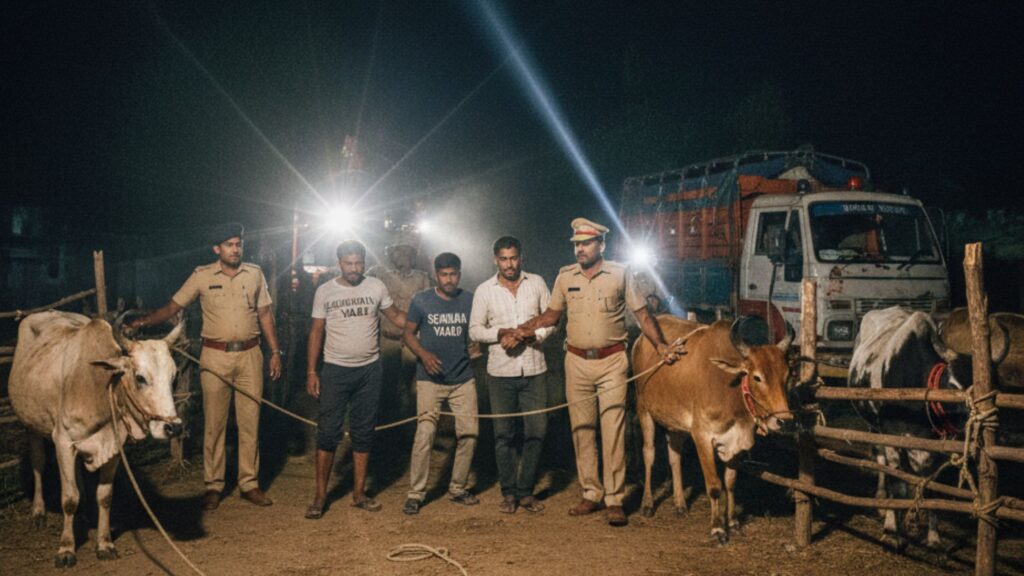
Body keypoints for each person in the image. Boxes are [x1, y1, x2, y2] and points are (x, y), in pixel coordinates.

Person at [519, 218, 681, 527]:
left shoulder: (620, 275)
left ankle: (615, 499)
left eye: (585, 243)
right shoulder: (565, 277)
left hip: (612, 363)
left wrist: (661, 345)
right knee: (582, 430)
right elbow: (552, 315)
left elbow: (643, 315)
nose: (579, 249)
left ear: (601, 245)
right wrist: (521, 329)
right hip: (576, 362)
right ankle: (591, 492)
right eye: (576, 244)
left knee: (613, 431)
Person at [131, 223, 282, 511]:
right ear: (217, 249)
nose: (235, 249)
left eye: (238, 244)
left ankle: (249, 483)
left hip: (250, 355)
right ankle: (213, 485)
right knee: (214, 424)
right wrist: (141, 322)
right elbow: (172, 307)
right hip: (215, 357)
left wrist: (275, 351)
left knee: (250, 423)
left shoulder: (254, 274)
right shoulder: (202, 276)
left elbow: (265, 314)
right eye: (229, 244)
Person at [304, 240, 406, 519]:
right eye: (348, 264)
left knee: (363, 432)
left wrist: (424, 320)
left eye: (358, 263)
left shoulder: (375, 286)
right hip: (335, 370)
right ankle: (320, 496)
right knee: (327, 433)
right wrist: (312, 371)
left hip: (369, 370)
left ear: (363, 261)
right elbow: (316, 332)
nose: (354, 269)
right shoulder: (325, 291)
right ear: (339, 264)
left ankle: (359, 494)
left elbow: (396, 316)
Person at [469, 236, 553, 514]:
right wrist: (502, 333)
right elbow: (475, 331)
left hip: (534, 369)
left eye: (514, 258)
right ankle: (508, 492)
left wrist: (531, 335)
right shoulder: (485, 290)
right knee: (503, 434)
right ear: (495, 260)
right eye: (504, 259)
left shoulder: (537, 283)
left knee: (537, 431)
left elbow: (552, 320)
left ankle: (525, 491)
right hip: (500, 373)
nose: (509, 264)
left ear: (521, 257)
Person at [401, 252, 478, 515]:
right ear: (436, 275)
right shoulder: (421, 300)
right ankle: (416, 493)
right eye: (444, 274)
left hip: (462, 378)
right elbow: (408, 333)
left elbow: (478, 330)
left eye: (453, 274)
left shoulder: (470, 300)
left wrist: (476, 346)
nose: (449, 279)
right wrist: (423, 354)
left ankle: (457, 488)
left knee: (469, 433)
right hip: (430, 379)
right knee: (425, 434)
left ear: (459, 273)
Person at [366, 234, 431, 430]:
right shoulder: (380, 274)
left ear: (413, 255)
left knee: (412, 386)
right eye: (398, 251)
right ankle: (387, 425)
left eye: (407, 252)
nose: (403, 255)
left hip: (412, 339)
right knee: (387, 384)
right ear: (392, 254)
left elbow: (427, 307)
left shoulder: (422, 278)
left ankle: (409, 424)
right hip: (388, 339)